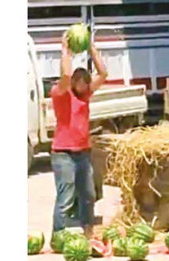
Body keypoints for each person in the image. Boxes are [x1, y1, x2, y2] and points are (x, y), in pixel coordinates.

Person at [50, 31, 108, 236]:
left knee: (88, 195)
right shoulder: (60, 94)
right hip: (63, 153)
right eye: (81, 81)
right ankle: (58, 233)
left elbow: (103, 74)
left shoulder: (85, 96)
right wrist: (65, 50)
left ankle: (88, 230)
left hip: (83, 152)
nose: (85, 85)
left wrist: (91, 48)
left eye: (87, 81)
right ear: (74, 81)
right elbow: (65, 75)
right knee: (66, 196)